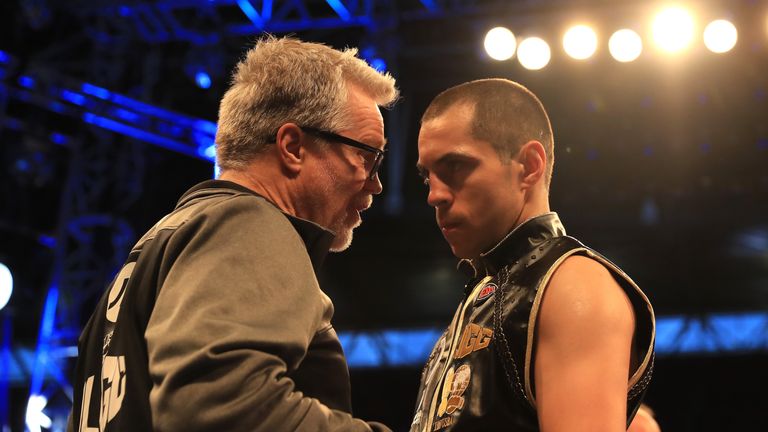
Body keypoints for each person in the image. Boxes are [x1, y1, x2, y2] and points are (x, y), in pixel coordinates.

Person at [67, 36, 398, 431]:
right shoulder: (247, 223)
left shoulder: (159, 244)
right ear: (293, 146)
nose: (375, 184)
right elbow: (218, 405)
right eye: (367, 156)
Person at [411, 78, 655, 431]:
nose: (434, 195)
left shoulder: (572, 286)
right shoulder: (488, 292)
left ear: (528, 166)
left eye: (455, 168)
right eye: (427, 177)